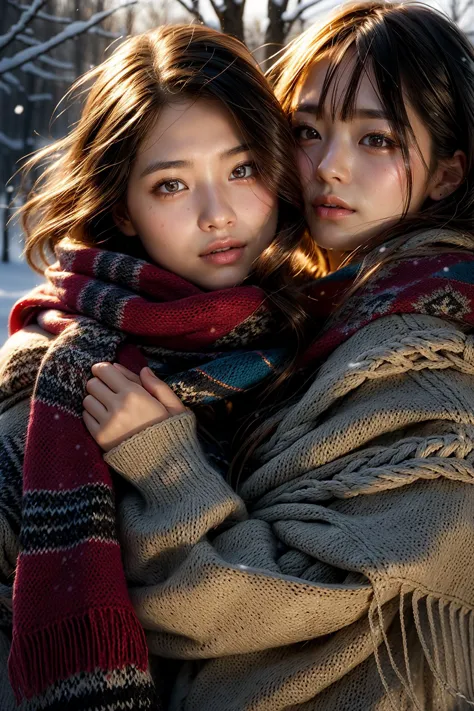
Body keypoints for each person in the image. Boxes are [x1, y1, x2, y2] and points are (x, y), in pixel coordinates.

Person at [79, 3, 474, 709]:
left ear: (447, 174)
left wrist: (167, 469)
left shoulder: (430, 359)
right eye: (308, 130)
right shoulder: (318, 319)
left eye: (377, 139)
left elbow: (302, 609)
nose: (328, 167)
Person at [0, 24, 321, 711]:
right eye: (171, 185)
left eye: (241, 169)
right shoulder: (56, 388)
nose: (217, 214)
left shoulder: (305, 341)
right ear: (124, 206)